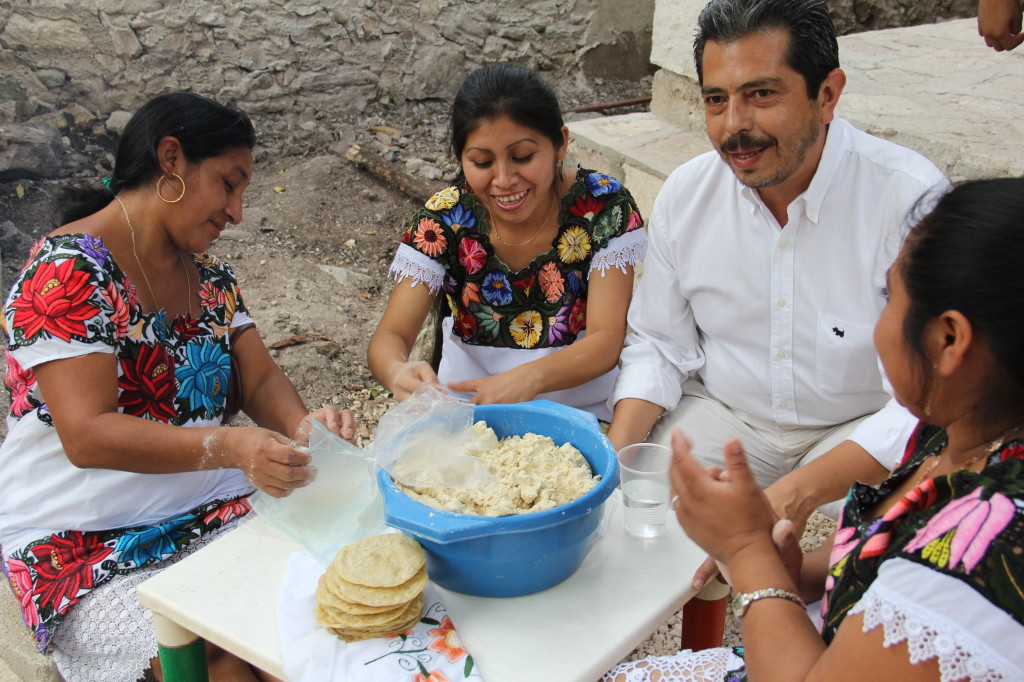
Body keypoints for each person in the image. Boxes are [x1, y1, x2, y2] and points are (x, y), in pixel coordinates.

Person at [604, 177, 1024, 681]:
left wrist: (745, 550)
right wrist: (789, 570)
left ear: (948, 339)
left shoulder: (984, 540)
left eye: (888, 297)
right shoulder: (961, 429)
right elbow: (863, 553)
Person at [0, 92, 354, 682]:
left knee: (316, 619)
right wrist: (232, 446)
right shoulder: (67, 270)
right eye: (229, 184)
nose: (237, 211)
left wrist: (304, 428)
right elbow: (86, 435)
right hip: (85, 539)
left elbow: (259, 375)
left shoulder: (210, 278)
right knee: (215, 658)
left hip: (209, 505)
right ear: (171, 159)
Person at [607, 0, 947, 543]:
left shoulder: (908, 201)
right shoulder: (688, 195)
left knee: (901, 536)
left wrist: (793, 493)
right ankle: (706, 629)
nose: (735, 126)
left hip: (860, 425)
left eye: (762, 95)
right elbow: (659, 344)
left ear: (827, 94)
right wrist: (617, 460)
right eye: (716, 100)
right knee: (630, 517)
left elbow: (923, 399)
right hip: (729, 415)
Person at [368, 64, 646, 422]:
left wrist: (528, 379)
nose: (504, 180)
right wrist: (395, 371)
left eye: (523, 157)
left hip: (582, 415)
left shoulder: (602, 206)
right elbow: (390, 335)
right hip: (467, 416)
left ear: (560, 143)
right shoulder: (444, 220)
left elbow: (606, 341)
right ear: (462, 159)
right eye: (482, 162)